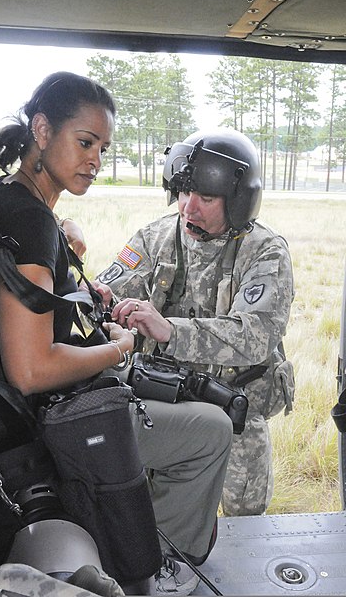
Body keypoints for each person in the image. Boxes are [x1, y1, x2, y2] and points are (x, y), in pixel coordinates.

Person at [0, 72, 232, 596]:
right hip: (45, 423)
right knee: (212, 430)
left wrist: (76, 275)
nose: (95, 159)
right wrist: (119, 346)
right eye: (84, 142)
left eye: (103, 147)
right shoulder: (32, 220)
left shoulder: (5, 198)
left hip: (12, 414)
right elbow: (29, 369)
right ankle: (153, 566)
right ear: (41, 130)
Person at [98, 128, 295, 518]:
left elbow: (254, 337)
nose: (189, 208)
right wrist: (103, 301)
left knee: (245, 518)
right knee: (157, 516)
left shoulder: (265, 252)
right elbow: (112, 291)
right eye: (184, 193)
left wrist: (169, 331)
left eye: (205, 198)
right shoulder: (155, 237)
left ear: (239, 201)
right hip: (166, 406)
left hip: (234, 408)